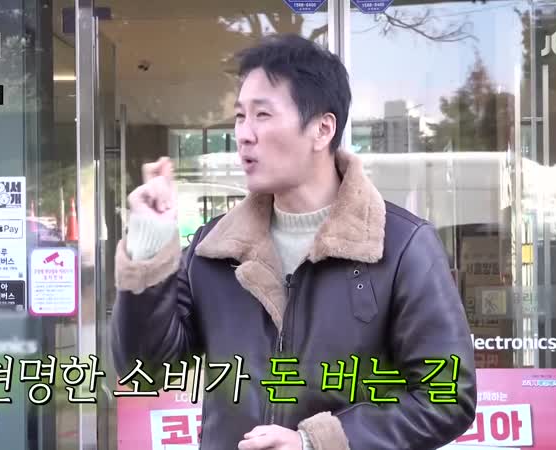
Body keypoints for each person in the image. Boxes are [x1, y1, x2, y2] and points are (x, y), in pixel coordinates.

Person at [111, 34, 477, 450]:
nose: (243, 134)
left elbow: (446, 397)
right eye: (240, 116)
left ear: (322, 129)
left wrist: (315, 442)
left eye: (262, 114)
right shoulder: (214, 248)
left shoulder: (401, 245)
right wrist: (150, 245)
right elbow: (145, 368)